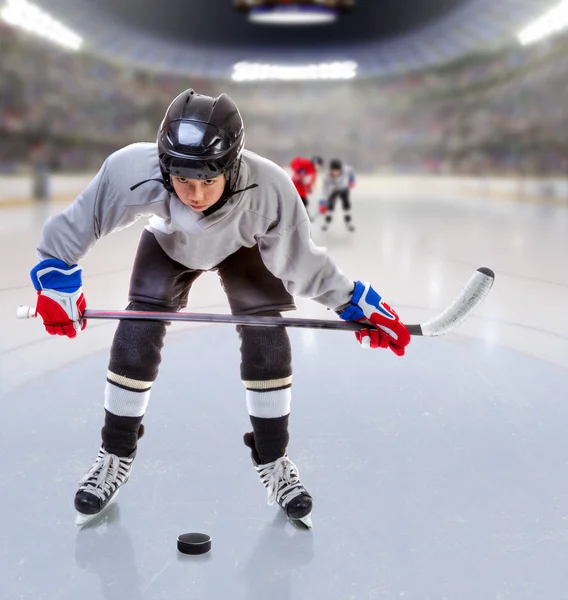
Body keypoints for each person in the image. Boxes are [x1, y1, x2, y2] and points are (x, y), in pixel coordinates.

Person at [29, 89, 411, 528]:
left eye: (209, 181)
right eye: (183, 180)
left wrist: (352, 301)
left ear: (231, 165)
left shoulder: (270, 188)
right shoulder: (130, 170)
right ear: (163, 165)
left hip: (243, 249)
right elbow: (74, 228)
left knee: (266, 334)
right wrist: (55, 278)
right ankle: (114, 455)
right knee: (138, 329)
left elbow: (301, 263)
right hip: (170, 244)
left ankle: (273, 460)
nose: (196, 195)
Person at [321, 158, 356, 232]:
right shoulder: (327, 176)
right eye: (334, 171)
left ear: (340, 169)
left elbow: (351, 170)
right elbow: (325, 189)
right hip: (333, 190)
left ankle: (349, 223)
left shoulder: (346, 169)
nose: (335, 173)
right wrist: (323, 202)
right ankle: (326, 223)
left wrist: (351, 179)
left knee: (346, 205)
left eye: (337, 171)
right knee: (330, 207)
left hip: (343, 189)